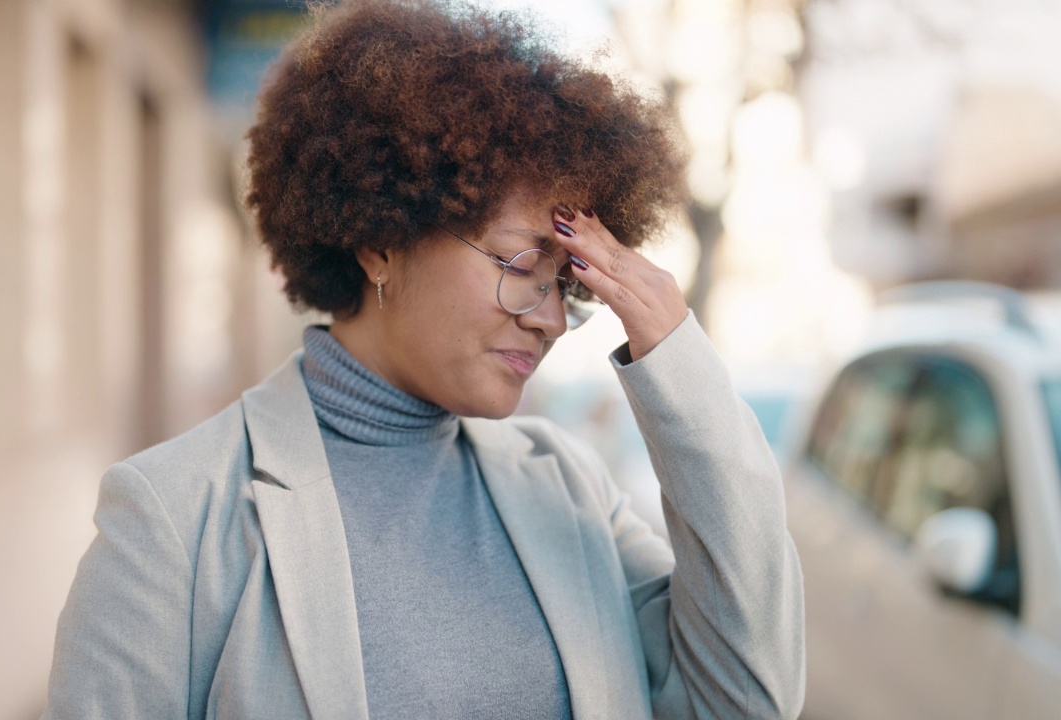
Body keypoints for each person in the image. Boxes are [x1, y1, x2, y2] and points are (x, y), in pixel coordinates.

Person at [42, 0, 805, 717]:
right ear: (382, 239)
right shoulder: (176, 516)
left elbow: (746, 699)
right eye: (519, 267)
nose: (550, 321)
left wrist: (677, 358)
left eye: (566, 286)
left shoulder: (567, 490)